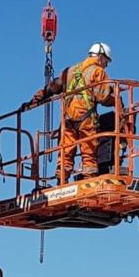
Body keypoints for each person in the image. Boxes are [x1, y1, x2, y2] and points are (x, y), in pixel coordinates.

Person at [58, 41, 116, 181]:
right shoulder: (98, 71)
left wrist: (37, 98)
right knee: (89, 150)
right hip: (85, 117)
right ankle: (89, 178)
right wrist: (117, 101)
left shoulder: (71, 71)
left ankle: (61, 180)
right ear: (100, 57)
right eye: (106, 61)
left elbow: (54, 86)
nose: (106, 65)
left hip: (67, 118)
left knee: (65, 150)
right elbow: (103, 96)